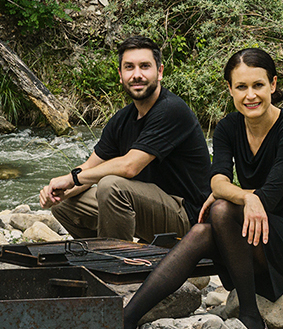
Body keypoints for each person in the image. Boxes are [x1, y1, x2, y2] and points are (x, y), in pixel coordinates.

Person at [122, 48, 283, 329]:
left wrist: (236, 194)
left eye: (258, 85)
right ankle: (125, 319)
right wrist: (247, 196)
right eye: (241, 87)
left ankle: (249, 314)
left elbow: (268, 196)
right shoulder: (228, 128)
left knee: (220, 209)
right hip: (253, 236)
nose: (250, 96)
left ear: (272, 85)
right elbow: (217, 182)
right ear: (230, 89)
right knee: (199, 233)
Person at [39, 36, 211, 244]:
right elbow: (90, 168)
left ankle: (116, 265)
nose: (137, 75)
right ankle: (103, 253)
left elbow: (130, 166)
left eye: (145, 66)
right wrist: (58, 192)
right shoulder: (122, 119)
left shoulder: (171, 110)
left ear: (160, 72)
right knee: (65, 205)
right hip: (144, 207)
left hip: (187, 218)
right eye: (129, 67)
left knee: (112, 186)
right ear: (121, 75)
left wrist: (72, 179)